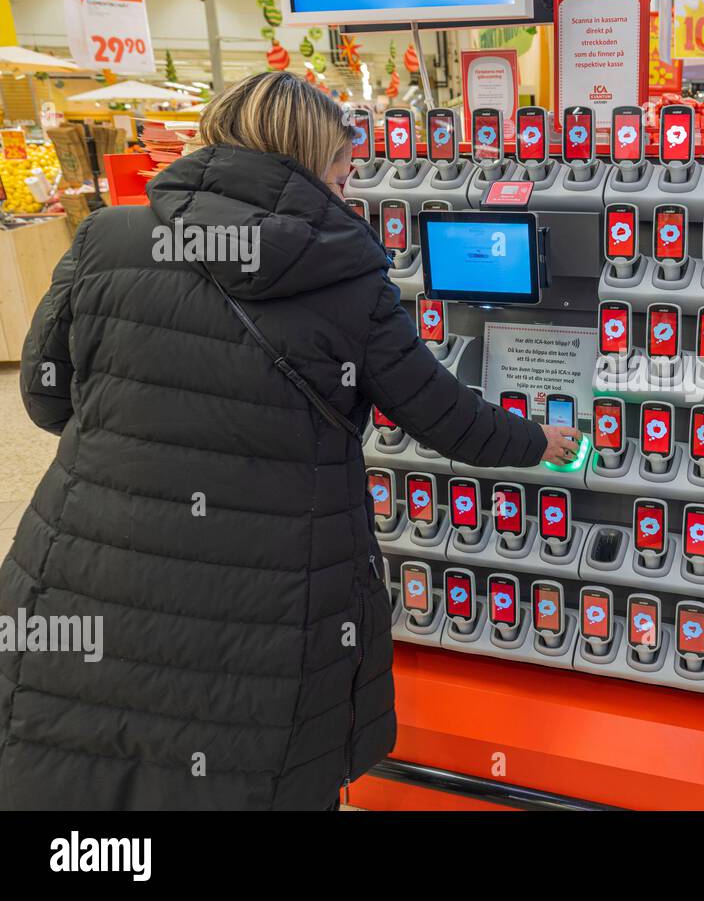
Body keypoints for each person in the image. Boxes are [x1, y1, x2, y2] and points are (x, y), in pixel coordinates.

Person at [0, 72, 582, 810]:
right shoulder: (348, 277)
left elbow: (45, 395)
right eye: (341, 174)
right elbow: (442, 416)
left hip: (80, 572)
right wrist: (540, 440)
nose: (347, 193)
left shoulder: (107, 237)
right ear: (308, 161)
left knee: (76, 777)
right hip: (270, 596)